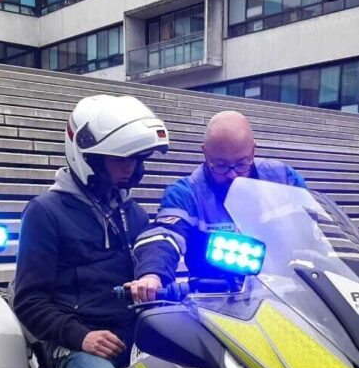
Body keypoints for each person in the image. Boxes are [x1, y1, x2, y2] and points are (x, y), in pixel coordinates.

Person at [12, 95, 169, 368]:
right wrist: (80, 335)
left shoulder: (127, 210)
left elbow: (152, 244)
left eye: (135, 160)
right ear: (87, 157)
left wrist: (152, 271)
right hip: (70, 340)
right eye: (120, 160)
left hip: (128, 331)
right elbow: (29, 299)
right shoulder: (46, 212)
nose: (130, 169)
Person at [127, 110, 306, 302]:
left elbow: (310, 234)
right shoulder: (186, 193)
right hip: (213, 300)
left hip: (281, 296)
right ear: (205, 152)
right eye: (220, 165)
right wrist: (152, 275)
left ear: (253, 151)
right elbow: (165, 234)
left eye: (241, 163)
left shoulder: (284, 179)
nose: (232, 175)